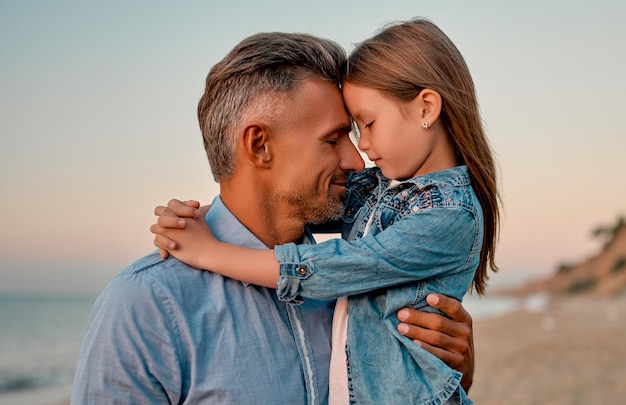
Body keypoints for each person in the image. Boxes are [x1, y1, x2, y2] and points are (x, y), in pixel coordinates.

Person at [73, 30, 475, 404]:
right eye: (333, 138)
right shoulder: (147, 305)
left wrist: (447, 371)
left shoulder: (355, 288)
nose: (357, 159)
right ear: (260, 145)